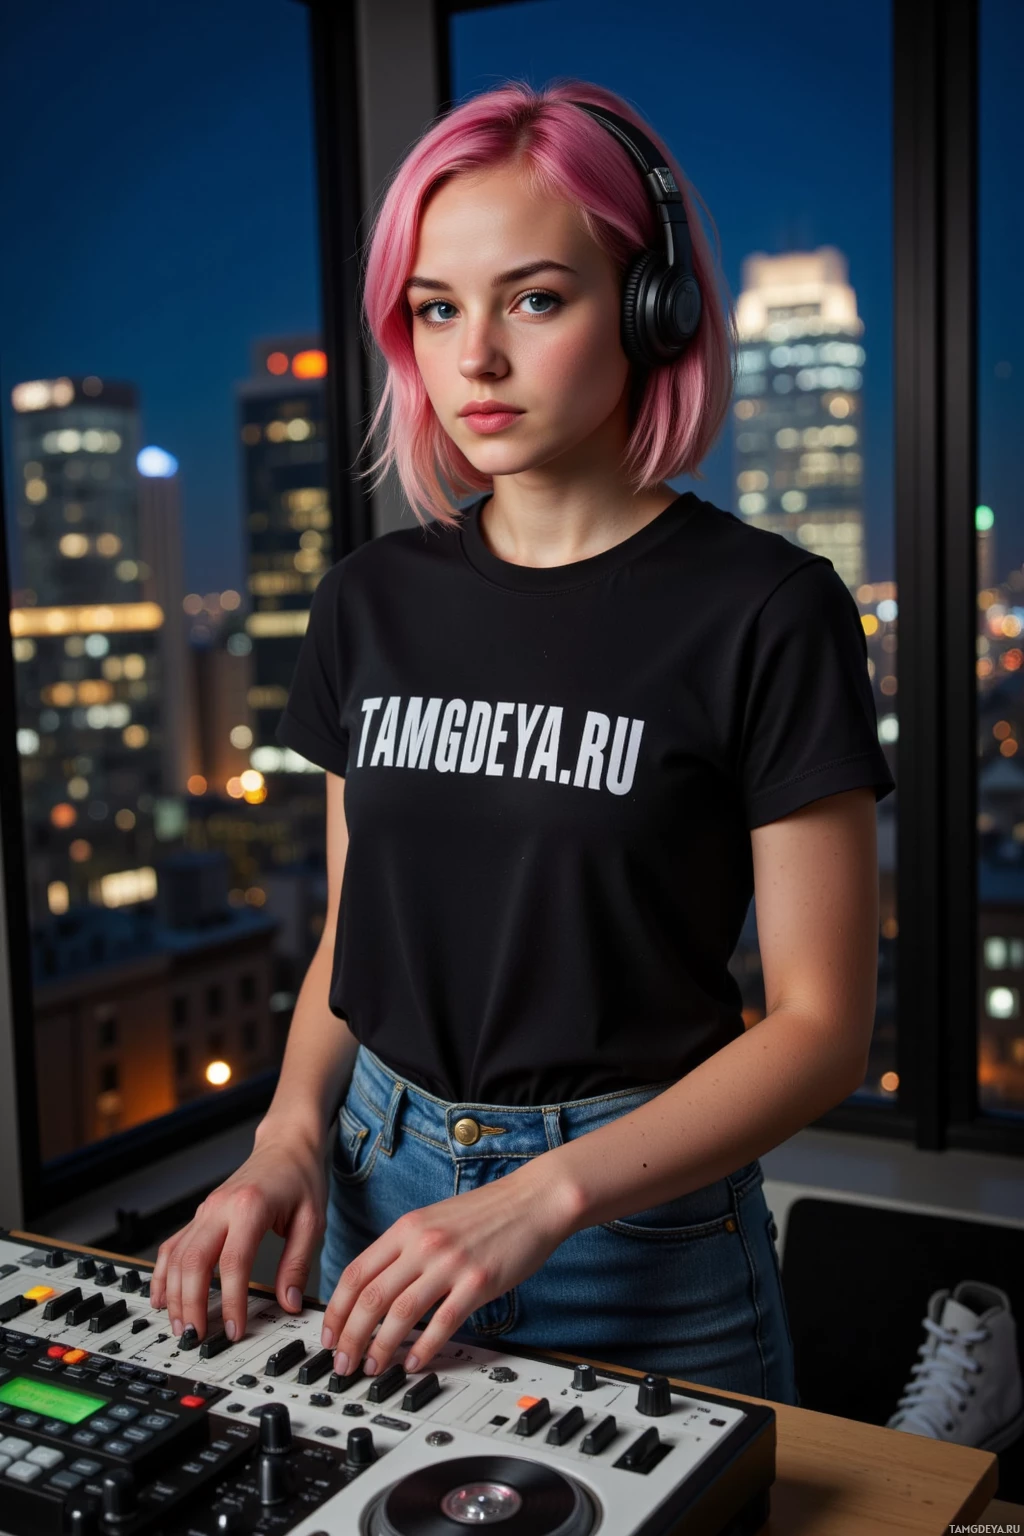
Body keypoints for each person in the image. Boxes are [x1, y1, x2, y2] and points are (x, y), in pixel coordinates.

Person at [149, 78, 895, 1406]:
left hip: (636, 1229)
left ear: (652, 311)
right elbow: (352, 935)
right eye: (437, 308)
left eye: (535, 299)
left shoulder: (768, 610)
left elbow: (825, 1028)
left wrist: (541, 1197)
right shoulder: (368, 601)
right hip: (376, 1206)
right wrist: (287, 1138)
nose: (474, 359)